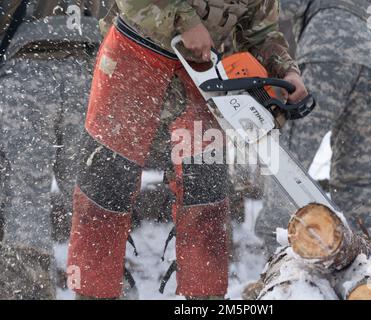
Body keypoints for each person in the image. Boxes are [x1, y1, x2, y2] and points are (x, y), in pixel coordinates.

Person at [66, 0, 308, 300]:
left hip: (203, 72)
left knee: (206, 191)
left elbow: (261, 32)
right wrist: (186, 20)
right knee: (106, 182)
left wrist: (285, 70)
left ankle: (204, 298)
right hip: (135, 53)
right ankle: (93, 293)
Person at [255, 0, 371, 256]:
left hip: (323, 58)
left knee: (289, 161)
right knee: (355, 173)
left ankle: (275, 247)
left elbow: (277, 8)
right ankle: (362, 253)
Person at [0, 0, 113, 299]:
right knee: (90, 194)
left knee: (24, 196)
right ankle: (103, 285)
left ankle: (28, 289)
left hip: (25, 64)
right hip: (89, 65)